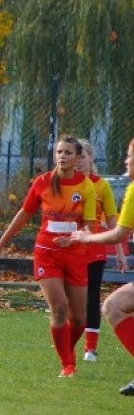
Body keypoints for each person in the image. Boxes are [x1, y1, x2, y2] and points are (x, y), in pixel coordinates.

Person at [0, 136, 96, 378]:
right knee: (59, 309)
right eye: (59, 152)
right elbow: (24, 214)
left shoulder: (86, 187)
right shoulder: (42, 183)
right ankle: (67, 364)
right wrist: (2, 241)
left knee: (78, 319)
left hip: (76, 254)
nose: (62, 156)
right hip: (47, 253)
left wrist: (74, 238)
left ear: (78, 158)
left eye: (68, 152)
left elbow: (88, 228)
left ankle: (68, 350)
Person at [66, 138, 134, 395]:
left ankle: (89, 347)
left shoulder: (111, 187)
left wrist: (87, 237)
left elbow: (118, 233)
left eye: (130, 156)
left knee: (108, 304)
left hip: (91, 253)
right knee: (113, 305)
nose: (126, 161)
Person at [77, 139, 126, 362]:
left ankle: (90, 348)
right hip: (70, 248)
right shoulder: (65, 184)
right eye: (73, 155)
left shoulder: (101, 185)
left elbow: (113, 222)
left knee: (92, 296)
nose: (77, 161)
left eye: (81, 156)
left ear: (90, 158)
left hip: (94, 247)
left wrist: (119, 251)